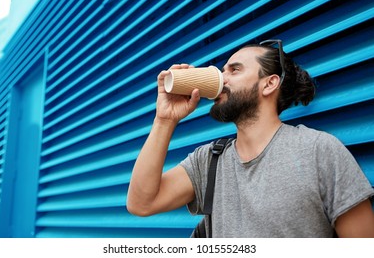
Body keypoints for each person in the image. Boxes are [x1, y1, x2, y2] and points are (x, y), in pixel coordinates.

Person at [127, 40, 374, 237]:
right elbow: (142, 203)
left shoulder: (318, 150)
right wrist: (164, 119)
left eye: (234, 70)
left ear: (269, 84)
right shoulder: (210, 160)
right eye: (223, 71)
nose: (221, 79)